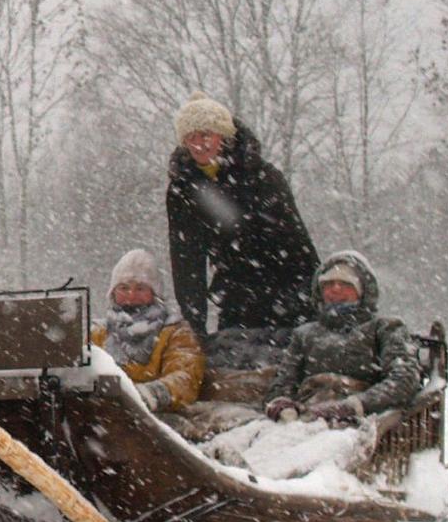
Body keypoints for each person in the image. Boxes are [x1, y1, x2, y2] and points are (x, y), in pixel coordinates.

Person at [166, 92, 319, 336]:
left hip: (287, 291)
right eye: (190, 137)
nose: (198, 144)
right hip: (235, 299)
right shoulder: (182, 189)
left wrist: (311, 300)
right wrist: (194, 326)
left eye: (205, 134)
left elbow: (298, 244)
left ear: (223, 136)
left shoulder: (264, 177)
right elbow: (186, 260)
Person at [264, 251, 423, 426]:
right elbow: (284, 381)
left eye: (346, 284)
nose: (336, 289)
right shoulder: (304, 334)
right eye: (329, 283)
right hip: (306, 416)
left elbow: (404, 380)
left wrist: (354, 406)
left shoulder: (385, 327)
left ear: (362, 291)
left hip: (363, 421)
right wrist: (282, 404)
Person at [89, 249, 205, 413]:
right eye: (123, 287)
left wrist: (145, 396)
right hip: (103, 414)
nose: (131, 295)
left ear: (155, 293)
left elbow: (185, 379)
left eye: (141, 288)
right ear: (113, 293)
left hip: (158, 417)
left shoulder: (176, 333)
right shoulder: (97, 333)